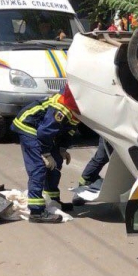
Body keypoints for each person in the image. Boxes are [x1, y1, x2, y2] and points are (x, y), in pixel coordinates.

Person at [12, 86, 81, 223]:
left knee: (56, 163)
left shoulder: (78, 107)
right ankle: (36, 212)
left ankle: (53, 202)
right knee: (38, 167)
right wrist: (46, 153)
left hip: (42, 129)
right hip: (29, 126)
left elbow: (69, 130)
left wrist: (62, 149)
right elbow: (44, 132)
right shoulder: (63, 107)